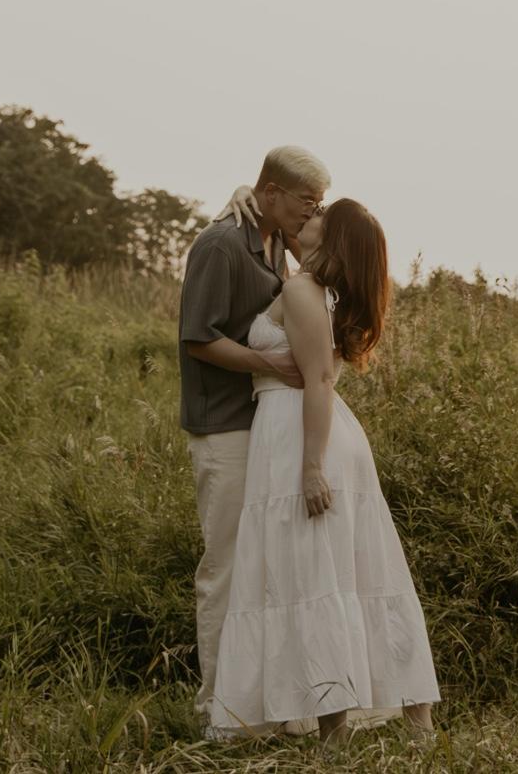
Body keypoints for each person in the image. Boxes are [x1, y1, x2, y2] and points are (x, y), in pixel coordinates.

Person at [207, 197, 440, 747]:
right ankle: (397, 725)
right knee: (347, 574)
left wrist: (311, 467)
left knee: (318, 576)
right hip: (306, 430)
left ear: (330, 239)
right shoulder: (315, 287)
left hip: (304, 434)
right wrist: (243, 195)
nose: (306, 219)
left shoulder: (302, 291)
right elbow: (273, 223)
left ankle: (345, 733)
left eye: (317, 217)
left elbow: (320, 380)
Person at [178, 145, 330, 732]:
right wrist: (267, 365)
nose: (313, 210)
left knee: (268, 568)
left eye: (319, 202)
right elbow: (198, 337)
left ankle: (265, 703)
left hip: (265, 427)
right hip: (224, 427)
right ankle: (219, 710)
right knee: (227, 568)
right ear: (271, 192)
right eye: (307, 200)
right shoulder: (220, 244)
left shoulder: (273, 241)